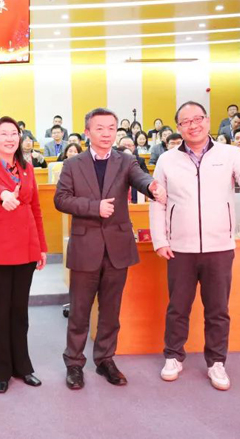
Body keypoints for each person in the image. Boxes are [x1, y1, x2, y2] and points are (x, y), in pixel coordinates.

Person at [150, 101, 240, 392]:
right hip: (180, 247)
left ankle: (216, 361)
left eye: (198, 119)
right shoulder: (167, 159)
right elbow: (157, 202)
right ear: (179, 127)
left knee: (217, 309)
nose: (193, 125)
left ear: (207, 120)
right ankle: (173, 356)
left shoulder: (229, 154)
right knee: (178, 307)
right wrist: (160, 239)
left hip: (219, 246)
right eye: (185, 122)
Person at [55, 108, 164, 390]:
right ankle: (74, 363)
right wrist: (94, 207)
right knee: (79, 312)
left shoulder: (126, 160)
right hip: (85, 247)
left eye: (111, 128)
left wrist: (152, 186)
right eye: (100, 128)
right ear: (87, 132)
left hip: (117, 247)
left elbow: (140, 178)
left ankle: (105, 359)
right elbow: (61, 199)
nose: (106, 134)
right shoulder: (73, 164)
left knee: (111, 311)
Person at [0, 116, 47, 394]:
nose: (9, 138)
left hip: (26, 247)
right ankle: (1, 370)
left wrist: (41, 246)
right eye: (3, 133)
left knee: (20, 312)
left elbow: (36, 208)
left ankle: (23, 367)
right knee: (0, 313)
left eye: (14, 133)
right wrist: (4, 194)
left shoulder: (27, 168)